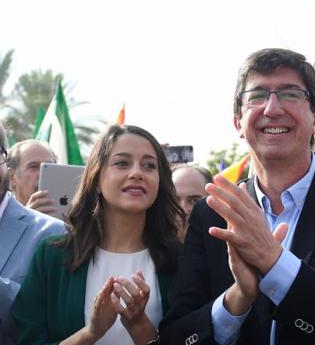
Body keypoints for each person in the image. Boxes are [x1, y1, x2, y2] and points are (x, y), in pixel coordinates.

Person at [160, 48, 315, 345]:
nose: (272, 108)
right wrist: (237, 299)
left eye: (290, 94)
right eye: (257, 95)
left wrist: (277, 266)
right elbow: (177, 335)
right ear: (238, 120)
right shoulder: (212, 212)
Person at [11, 124, 183, 345]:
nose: (137, 173)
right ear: (96, 179)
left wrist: (140, 325)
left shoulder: (179, 259)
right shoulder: (52, 255)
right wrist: (92, 332)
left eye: (149, 165)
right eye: (122, 163)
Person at [0, 124, 65, 345]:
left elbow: (48, 320)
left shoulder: (54, 234)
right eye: (33, 166)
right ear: (13, 175)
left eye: (47, 167)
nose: (41, 174)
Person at [6, 140, 57, 215]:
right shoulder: (3, 218)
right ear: (11, 177)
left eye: (49, 167)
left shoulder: (69, 219)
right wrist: (28, 218)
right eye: (33, 166)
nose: (42, 173)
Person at [171, 164, 212, 241]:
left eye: (194, 201)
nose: (183, 210)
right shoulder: (146, 250)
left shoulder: (228, 249)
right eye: (174, 200)